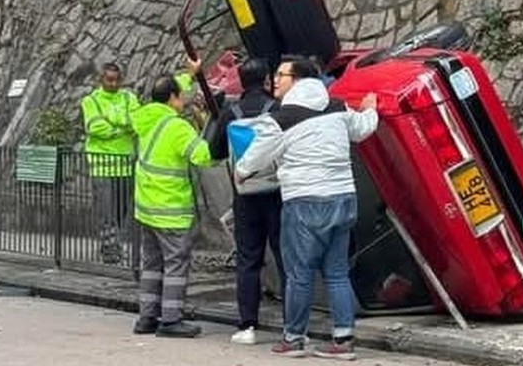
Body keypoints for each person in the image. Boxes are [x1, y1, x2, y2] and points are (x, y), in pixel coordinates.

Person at [236, 60, 379, 360]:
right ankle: (343, 340)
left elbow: (254, 158)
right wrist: (371, 108)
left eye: (281, 75)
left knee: (300, 273)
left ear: (298, 79)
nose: (275, 80)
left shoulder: (281, 118)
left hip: (304, 200)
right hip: (342, 197)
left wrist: (241, 171)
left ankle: (294, 338)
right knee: (338, 273)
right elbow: (364, 129)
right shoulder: (338, 107)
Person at [132, 64, 212, 338]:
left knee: (152, 265)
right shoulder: (178, 128)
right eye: (181, 95)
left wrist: (189, 75)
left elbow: (166, 88)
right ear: (173, 99)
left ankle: (147, 318)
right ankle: (171, 320)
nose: (184, 100)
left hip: (146, 207)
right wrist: (207, 125)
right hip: (171, 209)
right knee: (176, 265)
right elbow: (203, 156)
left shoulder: (143, 117)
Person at [207, 57, 281, 344]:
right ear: (266, 80)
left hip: (244, 195)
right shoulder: (276, 109)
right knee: (285, 256)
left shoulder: (231, 112)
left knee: (248, 260)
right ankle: (293, 324)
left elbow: (215, 152)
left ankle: (247, 325)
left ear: (241, 81)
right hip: (276, 193)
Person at [81, 62, 140, 265]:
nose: (113, 84)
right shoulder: (91, 100)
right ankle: (111, 250)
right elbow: (95, 127)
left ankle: (112, 244)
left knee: (121, 211)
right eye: (109, 80)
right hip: (102, 165)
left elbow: (136, 121)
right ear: (101, 80)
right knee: (106, 212)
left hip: (125, 164)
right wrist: (121, 127)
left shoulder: (128, 97)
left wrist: (114, 122)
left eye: (116, 80)